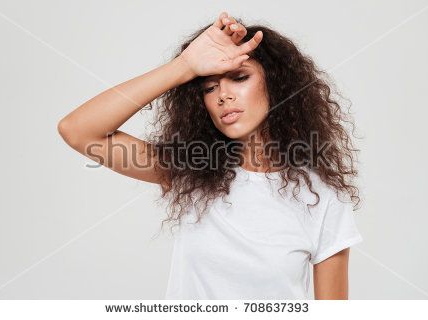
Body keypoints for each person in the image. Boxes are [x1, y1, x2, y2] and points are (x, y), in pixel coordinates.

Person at [58, 11, 363, 300]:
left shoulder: (323, 197)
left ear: (277, 86)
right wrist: (186, 65)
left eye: (240, 78)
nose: (223, 96)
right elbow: (79, 130)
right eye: (209, 86)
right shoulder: (192, 173)